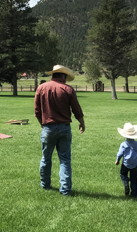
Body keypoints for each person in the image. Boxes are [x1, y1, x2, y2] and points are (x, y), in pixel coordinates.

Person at [34, 65, 85, 196]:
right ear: (63, 76)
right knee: (65, 160)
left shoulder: (41, 88)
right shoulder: (68, 89)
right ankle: (66, 190)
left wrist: (42, 124)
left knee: (46, 159)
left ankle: (45, 185)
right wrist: (82, 123)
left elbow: (37, 111)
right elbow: (76, 109)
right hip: (64, 128)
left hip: (48, 128)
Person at [115, 123, 137, 198]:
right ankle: (134, 194)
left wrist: (117, 160)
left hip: (125, 164)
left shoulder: (123, 144)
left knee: (123, 175)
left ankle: (126, 184)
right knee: (134, 179)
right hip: (134, 165)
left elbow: (120, 154)